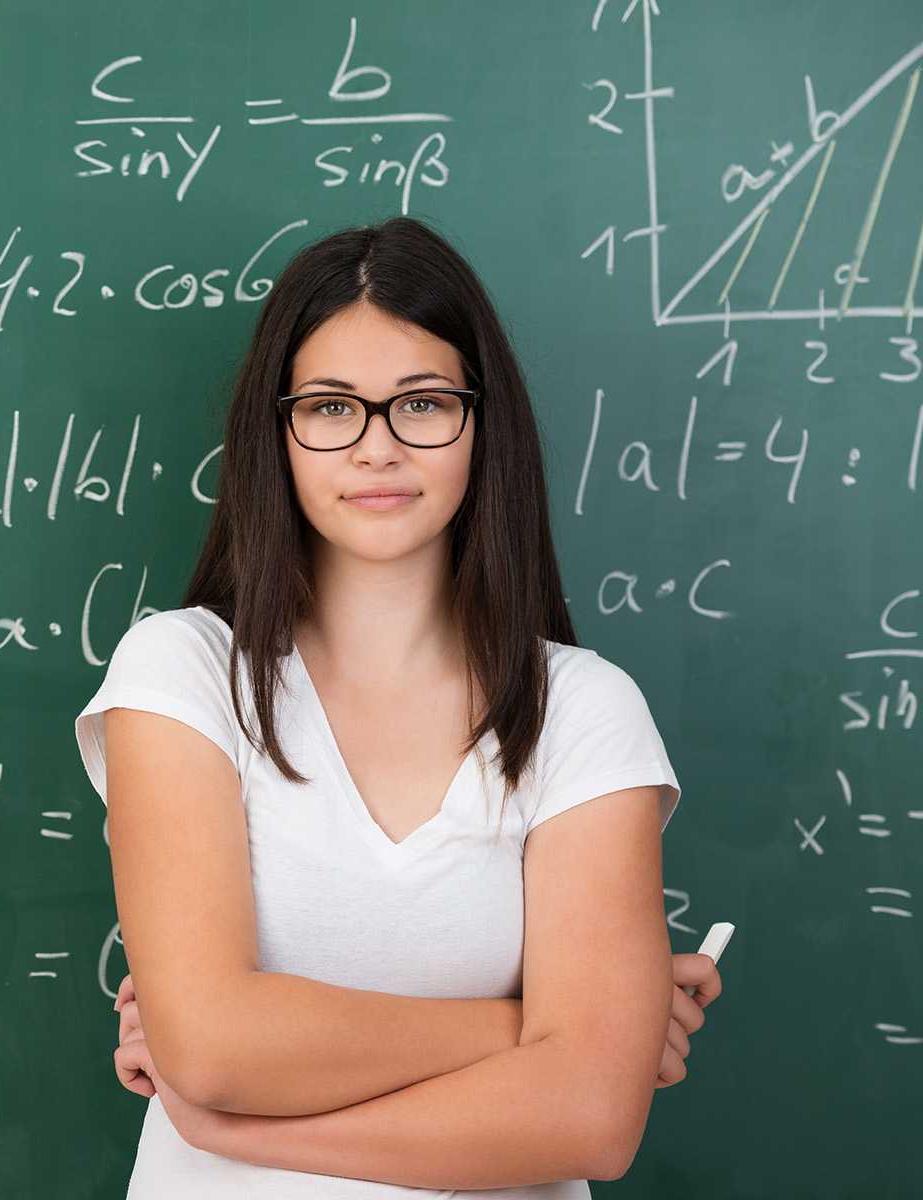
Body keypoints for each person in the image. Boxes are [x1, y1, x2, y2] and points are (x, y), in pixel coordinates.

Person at [73, 216, 723, 1198]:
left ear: (480, 423)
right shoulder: (179, 674)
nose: (375, 446)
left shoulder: (583, 713)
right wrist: (545, 1028)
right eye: (331, 407)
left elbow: (589, 1120)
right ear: (277, 430)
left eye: (422, 404)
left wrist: (235, 1127)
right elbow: (208, 1047)